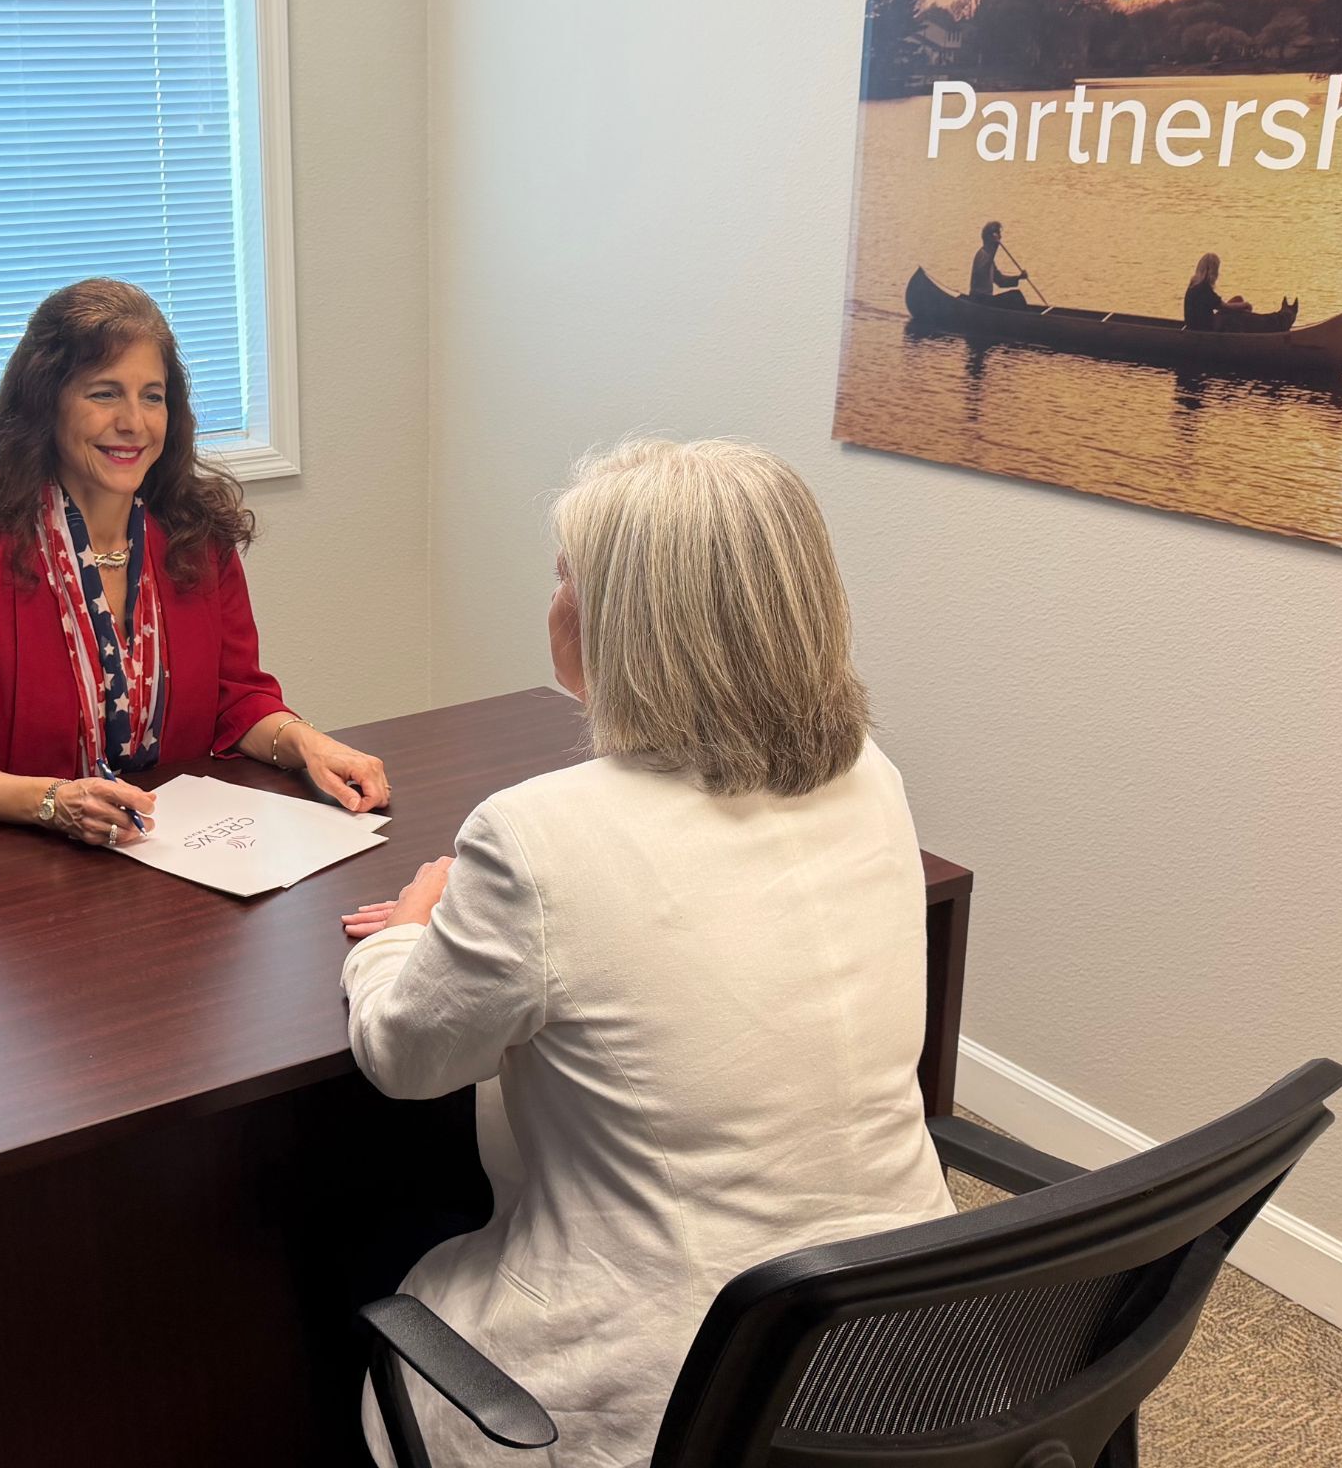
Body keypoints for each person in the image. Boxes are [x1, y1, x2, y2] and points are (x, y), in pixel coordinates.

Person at [339, 440, 955, 1467]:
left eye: (563, 578)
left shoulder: (537, 837)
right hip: (905, 1342)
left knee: (391, 1308)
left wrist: (404, 932)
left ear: (623, 624)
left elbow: (407, 1059)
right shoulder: (869, 776)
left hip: (673, 1398)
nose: (552, 601)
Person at [0, 278, 387, 844]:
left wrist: (309, 743)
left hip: (177, 855)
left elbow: (239, 699)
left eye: (152, 396)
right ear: (45, 404)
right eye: (105, 393)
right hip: (25, 876)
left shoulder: (197, 541)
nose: (134, 422)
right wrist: (51, 801)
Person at [969, 220, 1028, 307]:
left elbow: (1000, 281)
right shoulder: (982, 255)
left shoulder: (989, 258)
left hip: (986, 299)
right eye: (998, 235)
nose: (1000, 237)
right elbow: (982, 272)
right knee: (1016, 296)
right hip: (979, 299)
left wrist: (1018, 278)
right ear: (990, 237)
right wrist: (995, 247)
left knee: (1015, 297)